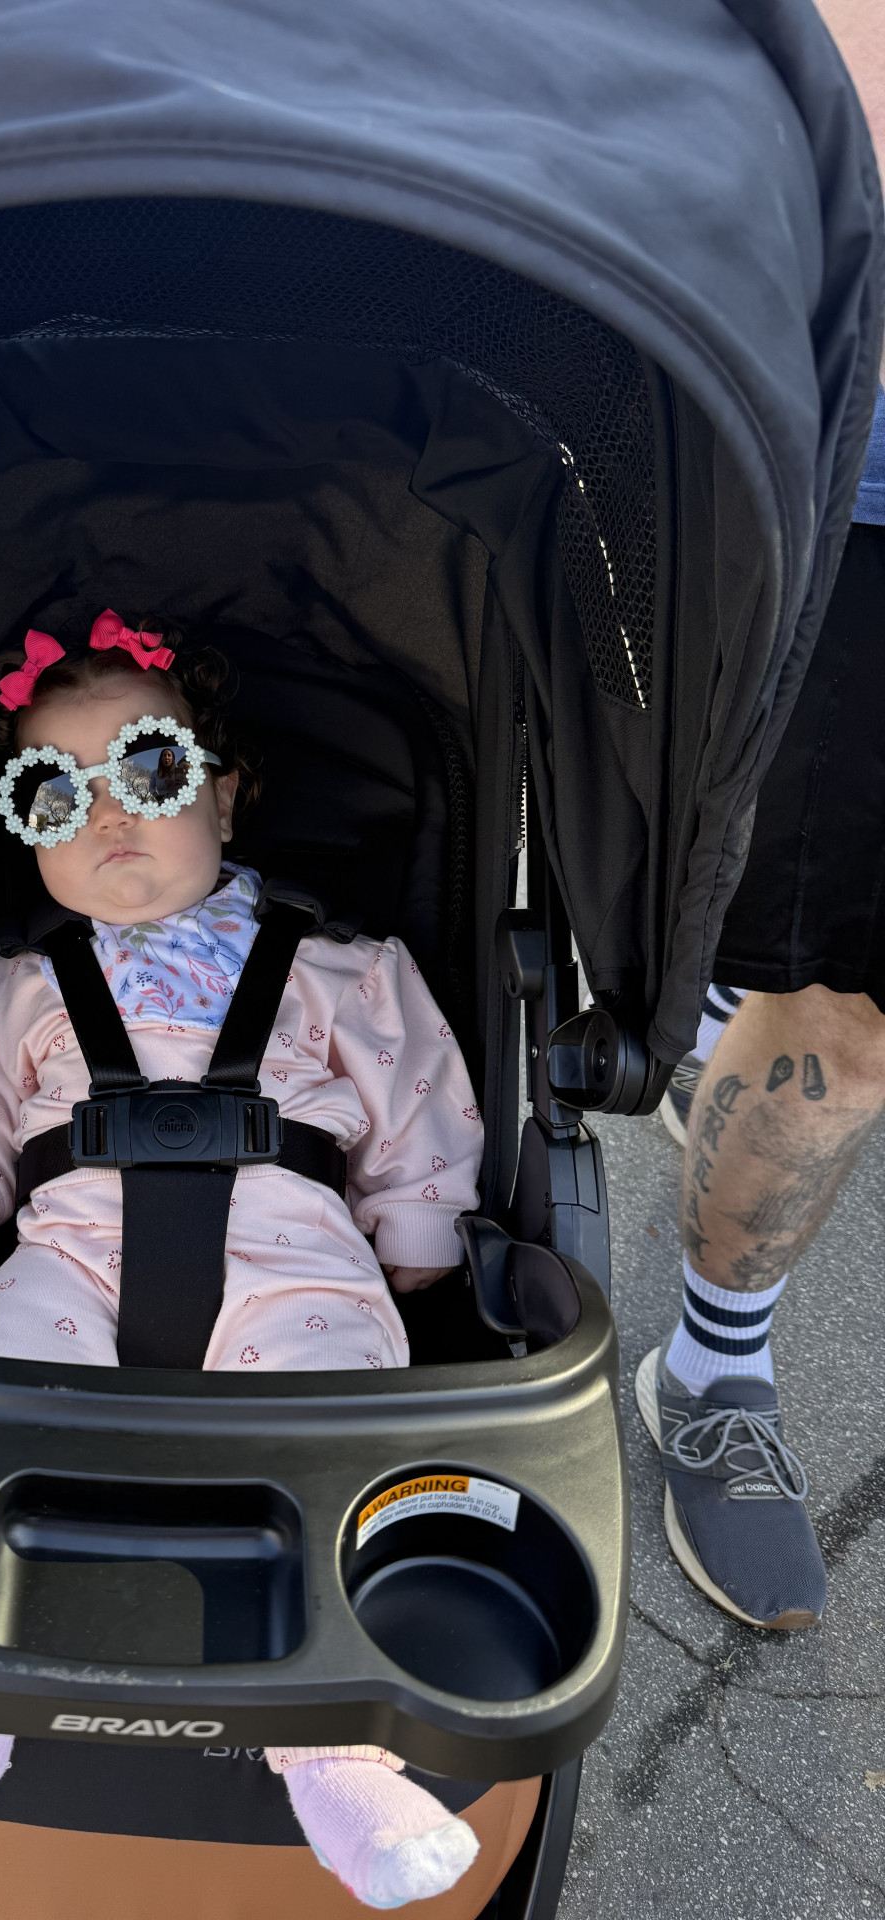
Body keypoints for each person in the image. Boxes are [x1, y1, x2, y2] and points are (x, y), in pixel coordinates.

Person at [0, 611, 490, 1909]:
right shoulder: (0, 984)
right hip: (73, 1252)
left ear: (224, 792)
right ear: (27, 832)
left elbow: (420, 1097)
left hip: (294, 1257)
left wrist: (419, 1226)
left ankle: (336, 1755)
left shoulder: (342, 967)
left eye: (150, 773)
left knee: (335, 1437)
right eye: (56, 796)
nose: (108, 815)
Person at [637, 0, 885, 1634]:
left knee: (804, 979)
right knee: (835, 1004)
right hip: (841, 430)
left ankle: (716, 1016)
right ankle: (717, 1369)